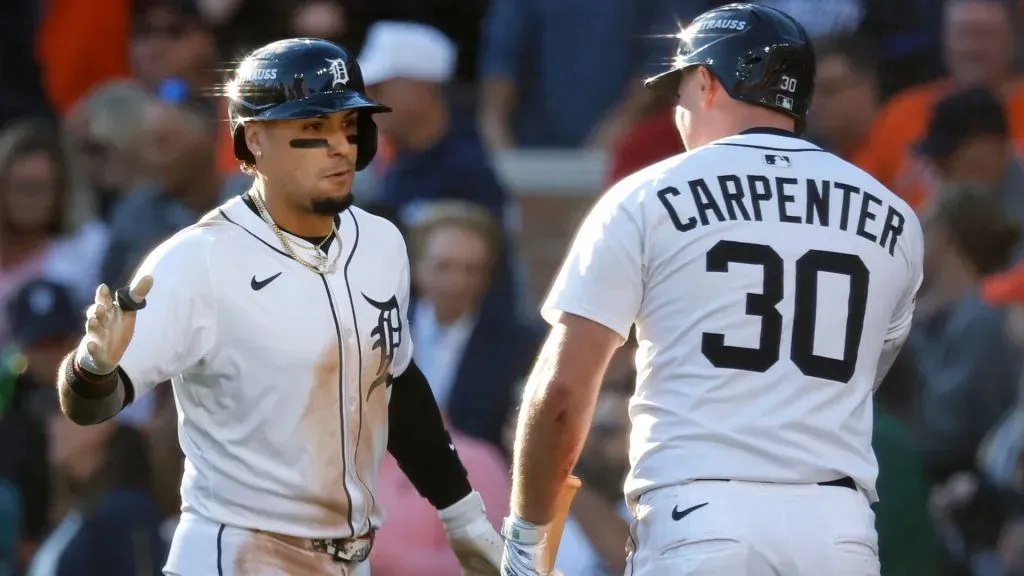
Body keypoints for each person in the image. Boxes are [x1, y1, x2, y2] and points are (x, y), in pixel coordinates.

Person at [500, 4, 924, 576]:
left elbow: (561, 395)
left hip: (700, 517)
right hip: (837, 529)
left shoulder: (646, 196)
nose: (677, 108)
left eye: (680, 89)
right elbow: (863, 378)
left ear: (705, 82)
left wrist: (527, 537)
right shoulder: (896, 217)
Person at [53, 38, 503, 575]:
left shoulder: (382, 242)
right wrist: (93, 365)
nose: (340, 146)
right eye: (313, 129)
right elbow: (89, 405)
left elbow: (395, 385)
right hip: (237, 554)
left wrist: (464, 517)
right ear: (255, 140)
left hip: (351, 556)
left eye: (348, 125)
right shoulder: (198, 259)